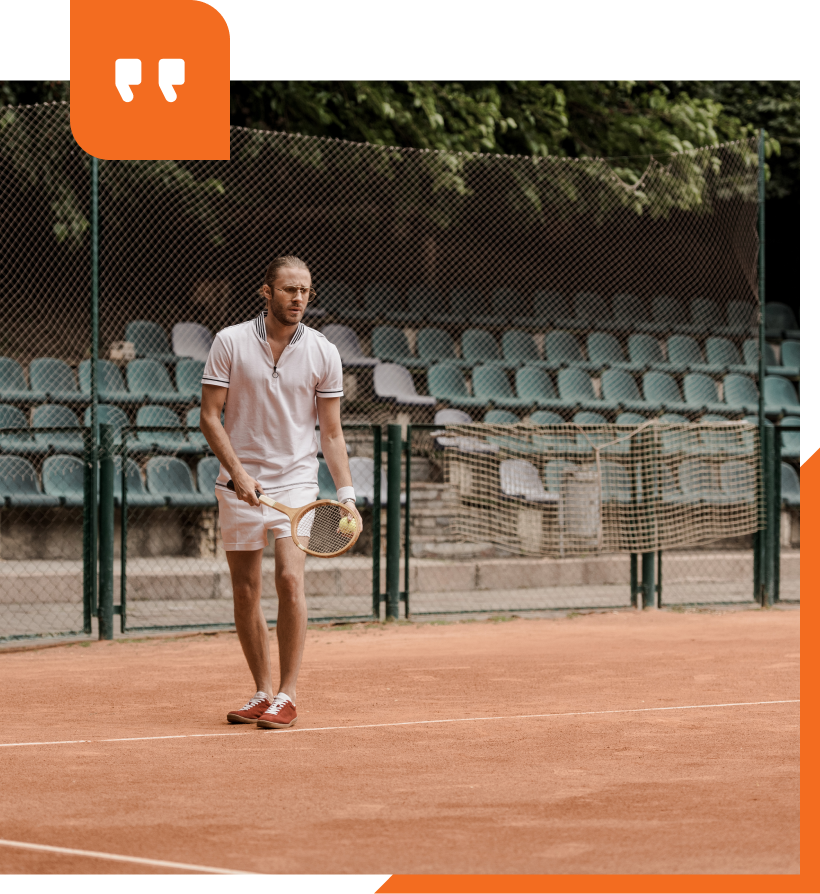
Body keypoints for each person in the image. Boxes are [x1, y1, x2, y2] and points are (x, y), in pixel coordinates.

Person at [200, 256, 362, 729]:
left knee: (290, 580)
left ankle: (287, 695)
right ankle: (261, 691)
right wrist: (239, 473)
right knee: (245, 589)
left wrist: (346, 494)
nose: (298, 298)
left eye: (305, 291)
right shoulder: (229, 342)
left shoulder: (324, 352)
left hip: (296, 484)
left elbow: (330, 434)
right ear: (266, 292)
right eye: (289, 289)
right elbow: (210, 416)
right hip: (238, 484)